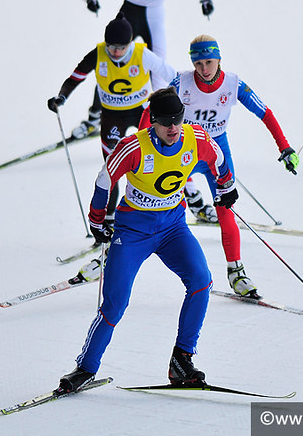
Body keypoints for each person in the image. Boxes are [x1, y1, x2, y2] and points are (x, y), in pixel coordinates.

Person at [57, 87, 239, 393]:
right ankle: (85, 368)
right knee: (115, 304)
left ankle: (182, 360)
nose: (173, 127)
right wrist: (97, 220)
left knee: (201, 281)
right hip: (132, 233)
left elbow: (219, 159)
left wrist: (226, 186)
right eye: (165, 121)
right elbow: (105, 179)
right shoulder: (133, 147)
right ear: (153, 121)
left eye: (178, 119)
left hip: (172, 228)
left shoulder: (195, 138)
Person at [70, 0, 217, 224]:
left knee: (158, 76)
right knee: (110, 64)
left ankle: (164, 125)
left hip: (153, 17)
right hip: (129, 13)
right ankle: (95, 116)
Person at [140, 35, 301, 299]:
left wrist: (285, 148)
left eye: (209, 62)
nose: (204, 69)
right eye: (198, 63)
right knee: (160, 200)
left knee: (226, 210)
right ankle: (129, 244)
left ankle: (236, 272)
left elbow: (265, 113)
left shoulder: (233, 84)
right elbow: (151, 111)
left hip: (217, 152)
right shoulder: (182, 82)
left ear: (219, 59)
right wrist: (142, 144)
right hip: (187, 149)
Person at [47, 12, 177, 229]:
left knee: (152, 160)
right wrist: (61, 97)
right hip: (112, 115)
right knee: (111, 167)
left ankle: (156, 209)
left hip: (142, 112)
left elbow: (171, 74)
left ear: (130, 43)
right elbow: (75, 78)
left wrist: (179, 102)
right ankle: (108, 218)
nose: (116, 52)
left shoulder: (141, 53)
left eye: (122, 47)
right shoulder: (98, 54)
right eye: (112, 46)